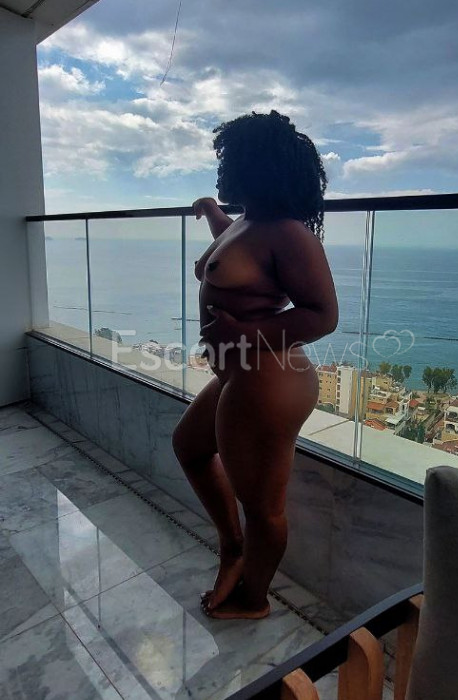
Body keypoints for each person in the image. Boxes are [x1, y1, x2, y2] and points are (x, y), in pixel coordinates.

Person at [172, 110, 339, 620]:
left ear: (256, 167)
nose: (222, 170)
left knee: (263, 508)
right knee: (189, 446)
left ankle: (255, 599)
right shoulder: (249, 222)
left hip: (268, 381)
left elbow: (323, 315)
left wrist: (244, 335)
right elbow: (239, 255)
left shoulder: (289, 234)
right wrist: (212, 213)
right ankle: (233, 549)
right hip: (238, 375)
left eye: (230, 160)